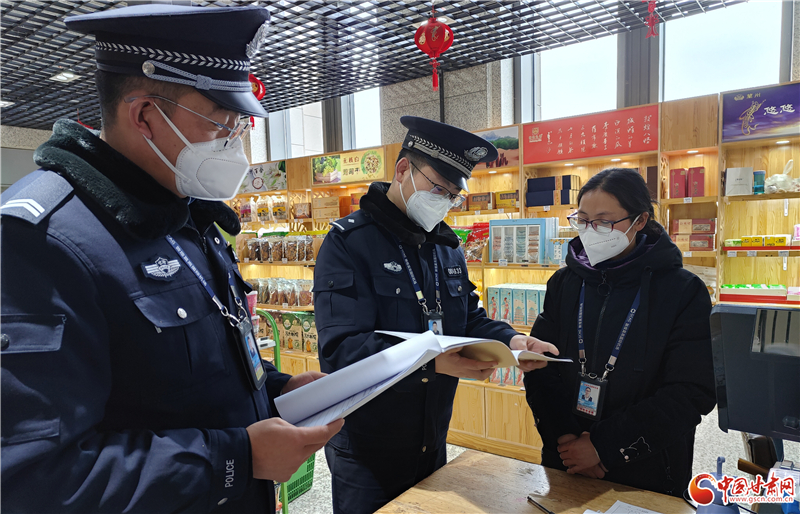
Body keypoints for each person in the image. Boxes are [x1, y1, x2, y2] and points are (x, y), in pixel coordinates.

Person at [0, 5, 342, 512]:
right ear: (144, 116)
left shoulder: (185, 213)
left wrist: (279, 389)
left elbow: (195, 371)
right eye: (221, 123)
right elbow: (35, 479)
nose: (235, 143)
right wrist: (236, 459)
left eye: (239, 125)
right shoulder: (44, 240)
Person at [314, 116, 558, 514]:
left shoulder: (447, 247)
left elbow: (469, 318)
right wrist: (431, 362)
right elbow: (342, 350)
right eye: (438, 188)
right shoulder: (349, 243)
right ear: (403, 169)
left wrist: (512, 340)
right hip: (367, 447)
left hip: (432, 436)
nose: (444, 202)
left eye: (453, 196)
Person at [523, 168, 716, 496]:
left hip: (648, 466)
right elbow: (541, 365)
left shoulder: (682, 291)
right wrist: (566, 440)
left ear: (640, 221)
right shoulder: (565, 283)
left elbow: (691, 391)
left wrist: (602, 447)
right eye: (583, 220)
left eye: (603, 222)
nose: (590, 232)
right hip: (566, 458)